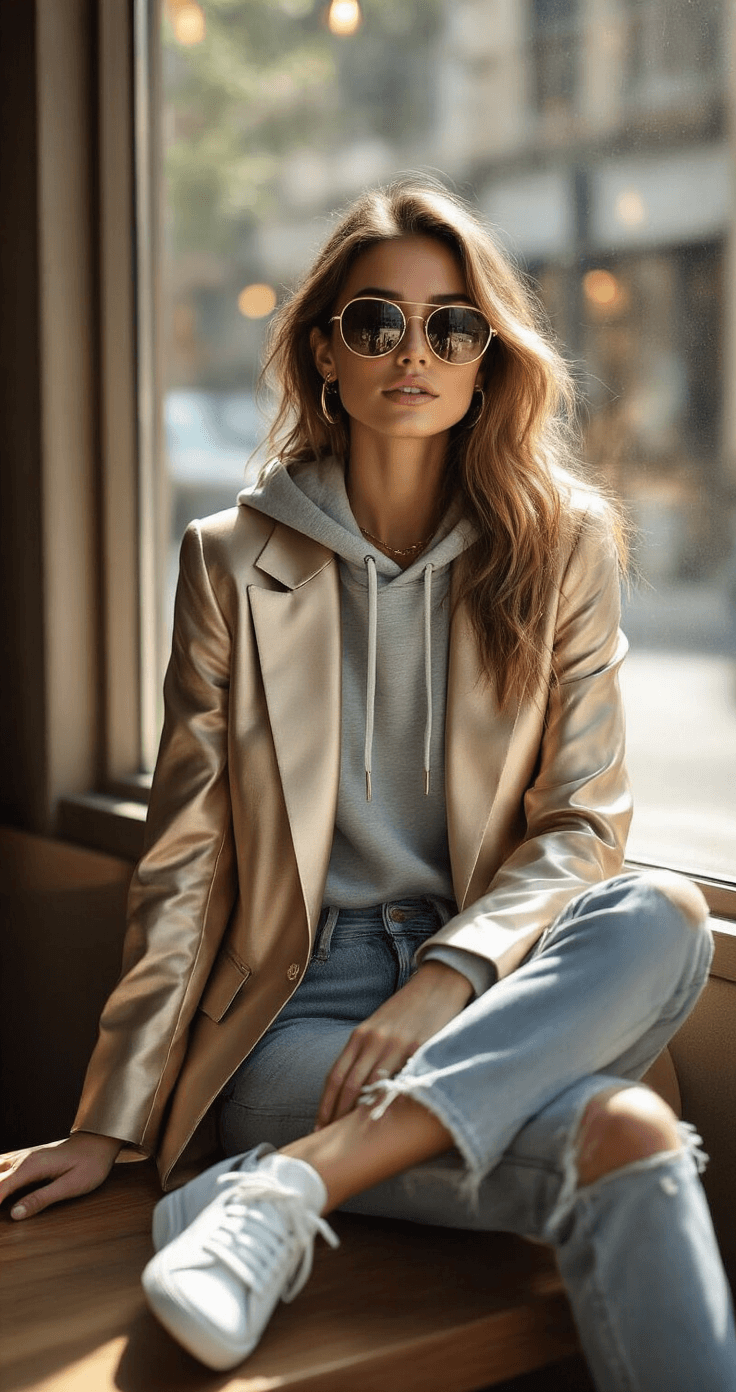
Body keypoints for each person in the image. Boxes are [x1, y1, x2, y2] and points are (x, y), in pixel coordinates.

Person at [1, 180, 734, 1390]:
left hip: (495, 985)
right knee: (630, 1130)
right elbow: (186, 862)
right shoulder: (230, 563)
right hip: (299, 1021)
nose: (417, 353)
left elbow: (581, 824)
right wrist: (109, 1120)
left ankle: (288, 1190)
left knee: (660, 913)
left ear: (489, 360)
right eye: (376, 321)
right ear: (322, 353)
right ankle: (278, 1165)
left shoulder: (565, 547)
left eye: (453, 326)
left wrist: (448, 978)